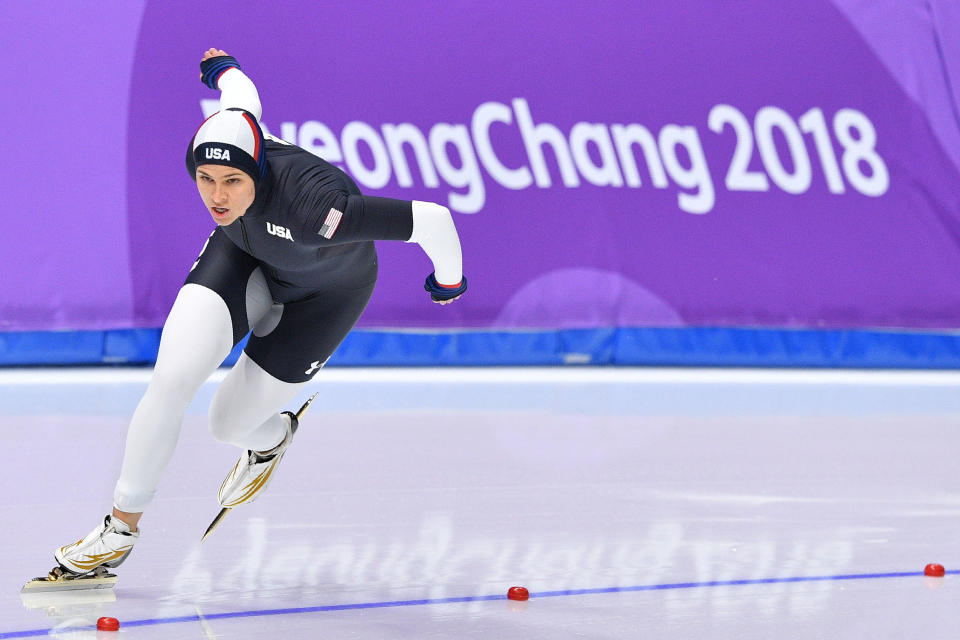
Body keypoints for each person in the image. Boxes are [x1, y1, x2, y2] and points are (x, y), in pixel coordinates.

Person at [51, 49, 467, 578]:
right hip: (244, 256)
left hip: (325, 294)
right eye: (205, 178)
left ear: (258, 173)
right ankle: (118, 531)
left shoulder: (318, 209)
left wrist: (447, 281)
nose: (217, 196)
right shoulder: (237, 129)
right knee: (171, 378)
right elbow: (241, 96)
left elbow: (432, 220)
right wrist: (221, 67)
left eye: (232, 182)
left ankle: (271, 441)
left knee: (227, 423)